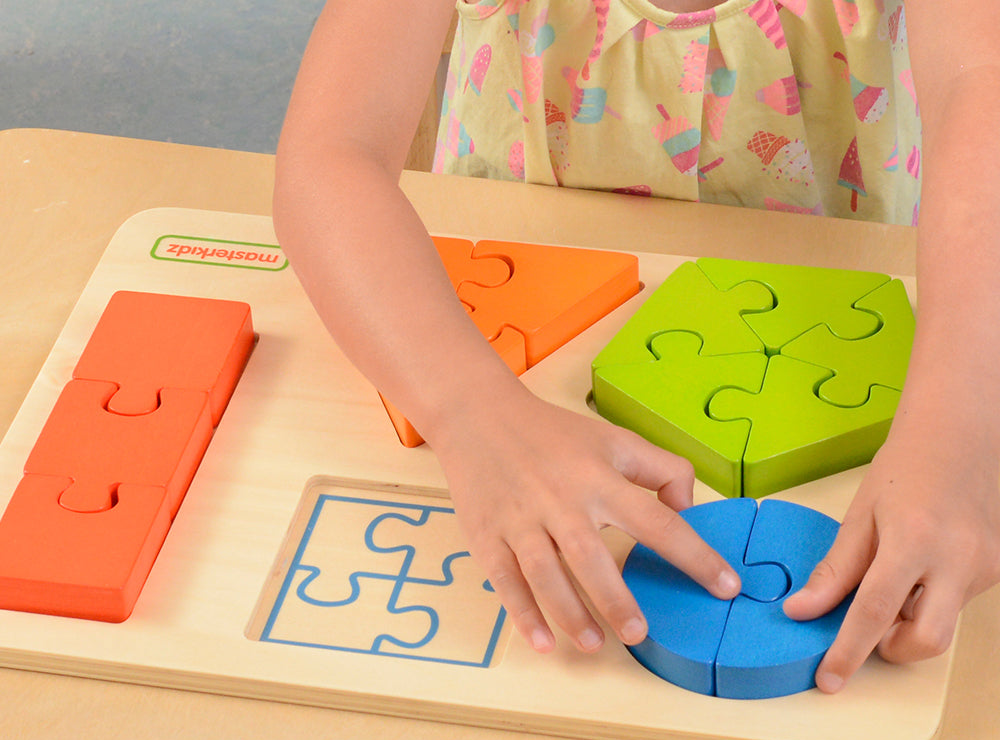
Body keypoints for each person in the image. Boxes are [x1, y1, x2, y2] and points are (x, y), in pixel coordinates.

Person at [272, 0, 1000, 693]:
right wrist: (468, 409)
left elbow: (982, 84)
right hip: (505, 308)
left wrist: (956, 430)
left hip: (850, 305)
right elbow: (328, 156)